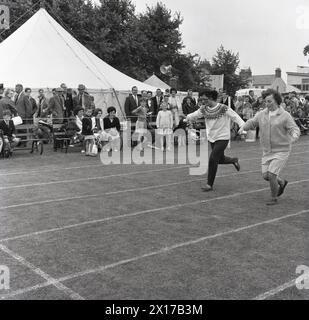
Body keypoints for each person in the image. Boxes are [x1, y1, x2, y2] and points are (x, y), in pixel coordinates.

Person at [239, 89, 300, 206]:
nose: (267, 104)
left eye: (269, 101)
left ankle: (274, 197)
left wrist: (295, 134)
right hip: (267, 150)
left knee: (272, 175)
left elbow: (294, 128)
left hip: (282, 150)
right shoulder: (262, 114)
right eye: (265, 101)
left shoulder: (285, 115)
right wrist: (243, 128)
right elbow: (252, 122)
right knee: (266, 176)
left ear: (277, 101)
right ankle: (281, 183)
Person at [186, 90, 244, 192]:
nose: (203, 101)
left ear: (211, 97)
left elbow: (236, 117)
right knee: (220, 159)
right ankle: (234, 160)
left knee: (213, 159)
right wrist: (187, 118)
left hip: (223, 137)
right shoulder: (204, 109)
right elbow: (195, 115)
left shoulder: (223, 108)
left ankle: (209, 184)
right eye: (201, 99)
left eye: (205, 99)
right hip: (211, 137)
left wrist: (243, 126)